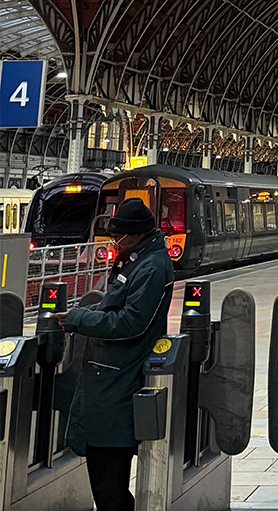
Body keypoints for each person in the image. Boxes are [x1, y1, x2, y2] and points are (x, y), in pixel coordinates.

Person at [55, 199, 174, 511]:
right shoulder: (137, 259)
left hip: (119, 380)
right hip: (107, 376)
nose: (114, 242)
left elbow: (131, 323)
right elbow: (113, 304)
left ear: (137, 234)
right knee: (104, 478)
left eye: (118, 236)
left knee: (109, 483)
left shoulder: (151, 267)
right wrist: (82, 313)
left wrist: (81, 319)